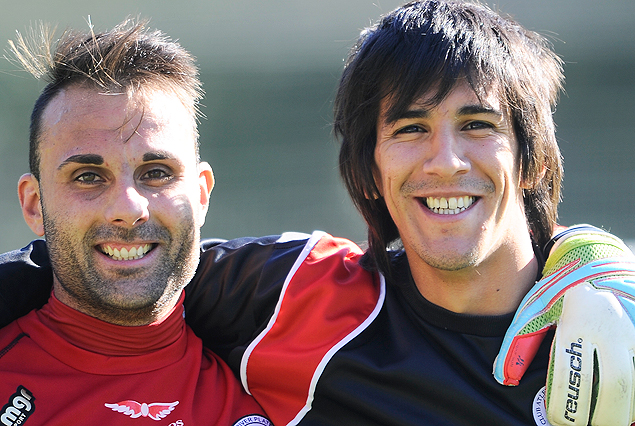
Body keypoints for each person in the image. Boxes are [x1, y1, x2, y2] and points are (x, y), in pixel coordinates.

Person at [2, 2, 635, 426]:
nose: (445, 161)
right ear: (371, 170)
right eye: (410, 128)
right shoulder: (293, 296)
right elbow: (115, 268)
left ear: (532, 157)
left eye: (478, 125)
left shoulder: (614, 322)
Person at [0, 19, 270, 426]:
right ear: (35, 205)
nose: (128, 207)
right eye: (88, 176)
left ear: (200, 195)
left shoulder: (283, 390)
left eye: (157, 173)